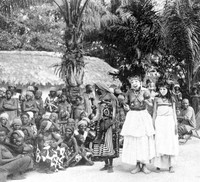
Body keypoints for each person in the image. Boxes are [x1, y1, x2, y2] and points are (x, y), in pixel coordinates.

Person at [121, 75, 155, 174]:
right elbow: (125, 103)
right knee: (134, 140)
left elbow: (151, 104)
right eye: (132, 82)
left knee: (143, 140)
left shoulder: (145, 91)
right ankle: (136, 165)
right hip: (132, 116)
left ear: (140, 82)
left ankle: (144, 165)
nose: (134, 83)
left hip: (143, 116)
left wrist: (147, 101)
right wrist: (126, 107)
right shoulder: (129, 92)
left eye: (136, 81)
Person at [92, 82, 119, 173]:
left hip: (109, 123)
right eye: (96, 89)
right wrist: (94, 120)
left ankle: (111, 165)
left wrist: (114, 122)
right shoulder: (99, 98)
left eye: (98, 88)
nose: (97, 90)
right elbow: (98, 113)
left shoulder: (112, 97)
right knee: (101, 143)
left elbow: (115, 111)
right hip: (101, 123)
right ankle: (106, 164)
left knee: (109, 144)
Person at [152, 80, 179, 173]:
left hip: (169, 121)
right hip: (159, 121)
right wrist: (153, 124)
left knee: (170, 142)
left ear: (168, 89)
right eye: (160, 89)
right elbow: (154, 112)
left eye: (164, 89)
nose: (162, 91)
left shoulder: (172, 98)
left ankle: (171, 165)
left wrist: (176, 124)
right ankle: (158, 165)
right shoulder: (156, 99)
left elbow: (174, 113)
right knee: (159, 142)